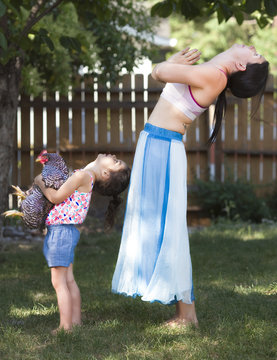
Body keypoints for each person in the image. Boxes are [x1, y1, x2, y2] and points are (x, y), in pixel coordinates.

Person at [111, 44, 269, 327]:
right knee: (157, 225)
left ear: (243, 66)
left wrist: (168, 63)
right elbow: (162, 75)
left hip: (162, 147)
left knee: (169, 229)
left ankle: (187, 315)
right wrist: (167, 67)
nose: (252, 48)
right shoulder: (212, 71)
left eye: (255, 54)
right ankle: (183, 310)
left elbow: (159, 72)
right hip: (156, 143)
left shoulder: (214, 75)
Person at [34, 153, 131, 333]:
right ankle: (75, 321)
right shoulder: (86, 176)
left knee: (59, 282)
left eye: (116, 161)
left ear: (106, 173)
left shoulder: (82, 176)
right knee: (69, 280)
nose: (114, 156)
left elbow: (55, 197)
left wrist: (40, 181)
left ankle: (65, 327)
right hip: (67, 231)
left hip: (61, 232)